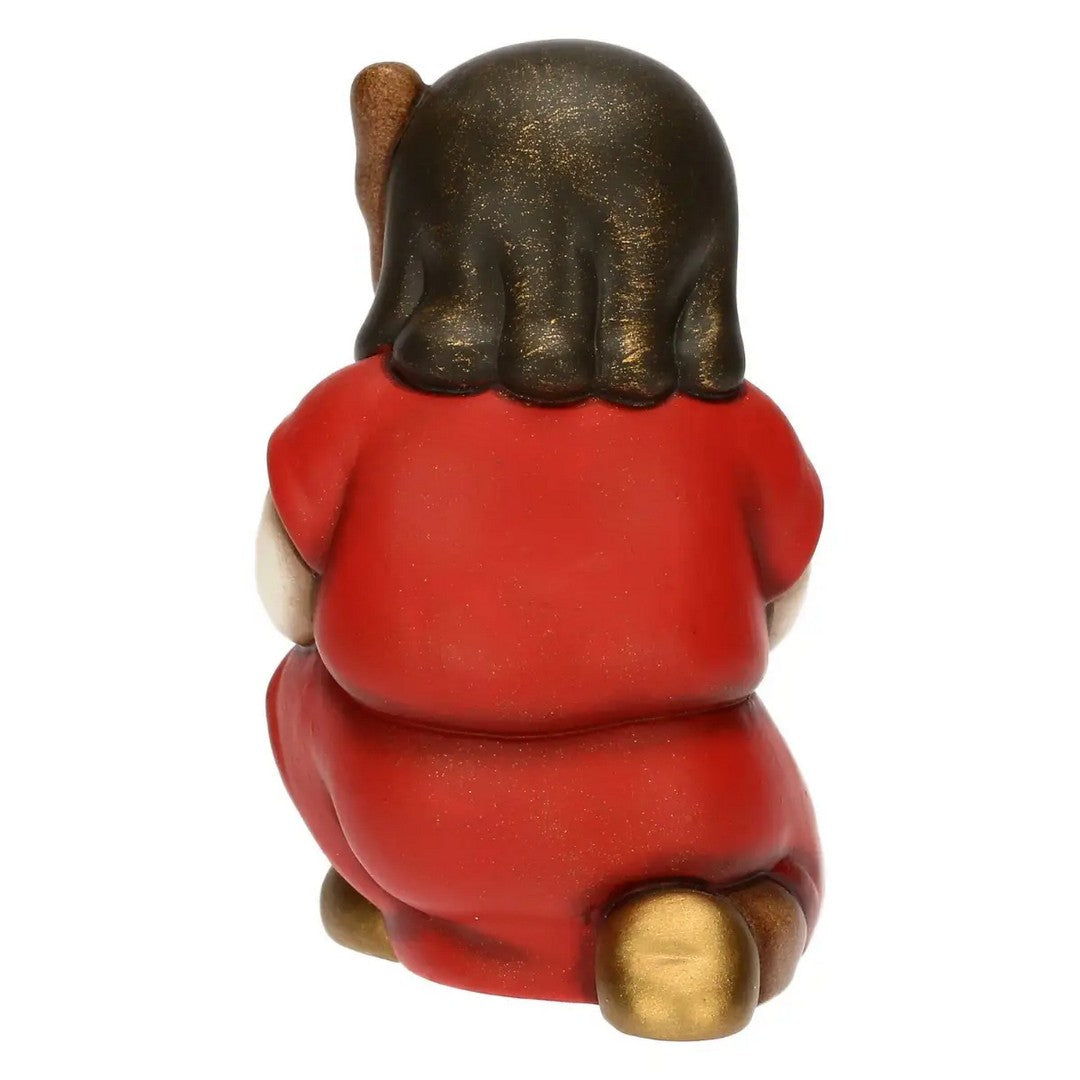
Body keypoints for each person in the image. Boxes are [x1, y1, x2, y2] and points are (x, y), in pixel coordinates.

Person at [257, 41, 823, 1041]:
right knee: (772, 852)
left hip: (409, 800)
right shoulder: (744, 428)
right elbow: (778, 611)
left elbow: (287, 599)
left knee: (303, 682)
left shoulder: (352, 418)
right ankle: (709, 926)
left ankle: (411, 900)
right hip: (682, 811)